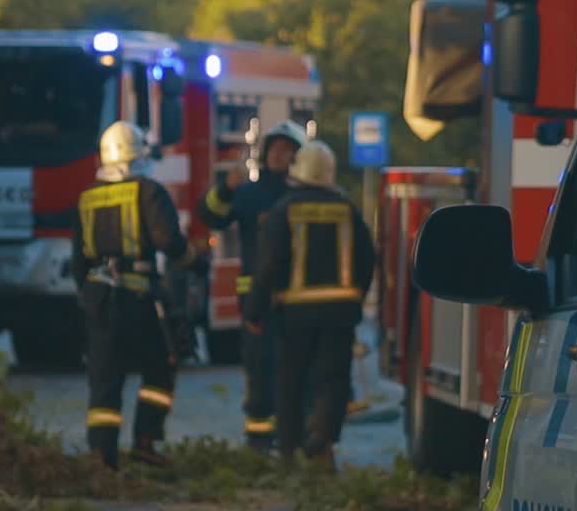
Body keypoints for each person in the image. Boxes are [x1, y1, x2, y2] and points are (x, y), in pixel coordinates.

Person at [71, 121, 208, 471]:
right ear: (139, 155)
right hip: (138, 298)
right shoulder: (147, 191)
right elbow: (168, 242)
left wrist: (87, 297)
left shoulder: (86, 197)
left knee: (104, 376)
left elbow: (78, 259)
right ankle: (145, 442)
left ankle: (101, 456)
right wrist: (194, 258)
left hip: (99, 298)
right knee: (161, 365)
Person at [243, 139, 375, 470]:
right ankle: (322, 444)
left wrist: (255, 312)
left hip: (294, 315)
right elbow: (367, 258)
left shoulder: (284, 209)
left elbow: (268, 264)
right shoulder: (348, 209)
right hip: (339, 315)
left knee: (290, 382)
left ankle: (290, 452)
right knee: (333, 380)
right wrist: (356, 296)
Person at [196, 119, 308, 452]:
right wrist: (225, 189)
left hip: (296, 301)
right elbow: (211, 216)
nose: (279, 155)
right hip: (257, 302)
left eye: (287, 150)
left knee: (294, 369)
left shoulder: (303, 196)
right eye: (274, 149)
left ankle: (293, 441)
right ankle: (258, 442)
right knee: (259, 371)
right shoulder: (249, 195)